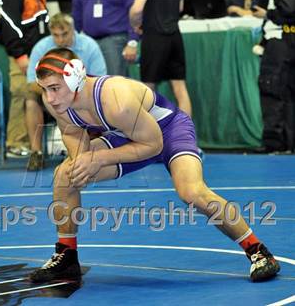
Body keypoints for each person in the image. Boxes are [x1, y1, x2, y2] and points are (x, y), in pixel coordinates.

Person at [28, 47, 280, 284]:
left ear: (75, 79)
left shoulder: (116, 99)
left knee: (192, 192)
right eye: (45, 89)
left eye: (54, 88)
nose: (49, 97)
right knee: (66, 175)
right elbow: (72, 132)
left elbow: (153, 145)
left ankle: (258, 250)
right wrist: (81, 161)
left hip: (168, 131)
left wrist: (98, 158)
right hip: (127, 134)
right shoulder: (54, 100)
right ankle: (67, 256)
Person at [25, 12, 106, 170]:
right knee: (30, 100)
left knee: (100, 98)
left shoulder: (89, 46)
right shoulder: (41, 47)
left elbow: (99, 80)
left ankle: (97, 146)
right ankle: (36, 153)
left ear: (73, 29)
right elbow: (30, 83)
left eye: (64, 34)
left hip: (81, 96)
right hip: (50, 97)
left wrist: (71, 93)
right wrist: (53, 91)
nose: (60, 39)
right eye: (56, 35)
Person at [0, 0, 50, 158]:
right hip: (23, 54)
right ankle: (16, 143)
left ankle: (31, 144)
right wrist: (19, 55)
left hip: (37, 52)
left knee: (31, 97)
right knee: (21, 94)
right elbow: (9, 24)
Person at [129, 0, 192, 117]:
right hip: (174, 35)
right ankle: (186, 134)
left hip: (154, 36)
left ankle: (150, 134)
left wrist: (134, 23)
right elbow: (180, 7)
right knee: (180, 89)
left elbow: (137, 9)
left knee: (148, 89)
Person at [252, 0, 291, 153]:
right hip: (276, 40)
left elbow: (288, 11)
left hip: (280, 41)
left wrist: (268, 14)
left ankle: (276, 141)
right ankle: (281, 140)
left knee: (272, 89)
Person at [72, 0, 139, 76]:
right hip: (89, 41)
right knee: (90, 79)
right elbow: (76, 16)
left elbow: (134, 14)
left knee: (114, 80)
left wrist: (133, 41)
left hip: (114, 40)